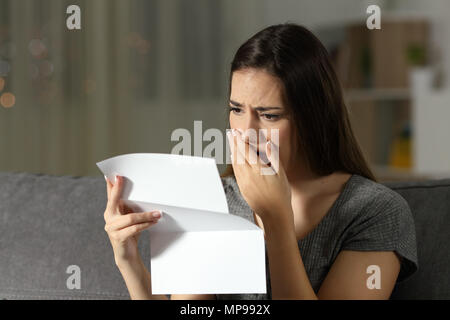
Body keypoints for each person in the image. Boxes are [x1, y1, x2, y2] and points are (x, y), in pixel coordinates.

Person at [103, 23, 418, 300]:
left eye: (269, 115)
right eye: (237, 109)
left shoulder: (375, 212)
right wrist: (129, 262)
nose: (246, 132)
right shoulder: (213, 197)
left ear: (314, 119)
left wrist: (276, 219)